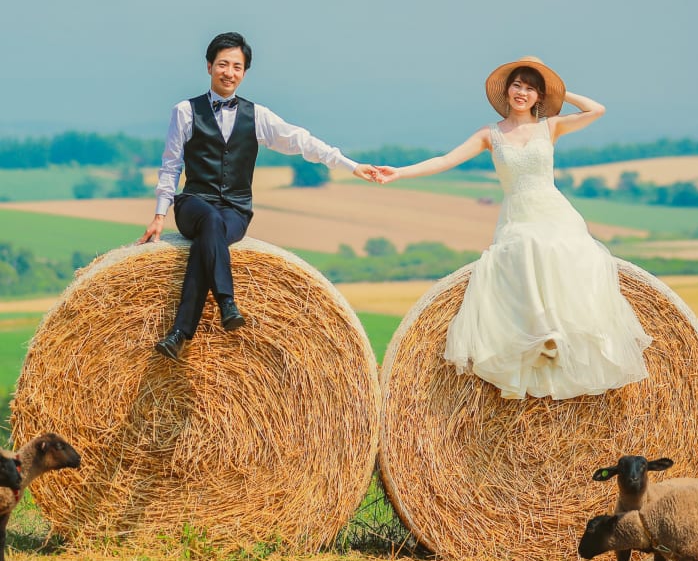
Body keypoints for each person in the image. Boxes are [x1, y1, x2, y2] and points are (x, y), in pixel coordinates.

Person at [377, 56, 652, 399]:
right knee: (524, 249)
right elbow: (445, 160)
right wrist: (399, 172)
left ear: (539, 97)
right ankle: (541, 335)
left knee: (560, 252)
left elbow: (597, 110)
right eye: (518, 85)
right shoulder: (490, 134)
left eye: (532, 88)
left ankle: (560, 333)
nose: (523, 92)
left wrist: (561, 93)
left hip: (554, 211)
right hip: (518, 215)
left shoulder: (550, 127)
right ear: (507, 91)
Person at [139, 31, 378, 362]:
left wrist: (350, 166)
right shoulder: (185, 111)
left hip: (236, 210)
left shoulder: (258, 116)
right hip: (194, 204)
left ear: (244, 72)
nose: (229, 72)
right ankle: (227, 301)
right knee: (209, 220)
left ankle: (180, 334)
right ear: (209, 66)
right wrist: (159, 216)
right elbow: (170, 165)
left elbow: (303, 142)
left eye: (237, 66)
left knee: (214, 232)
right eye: (223, 64)